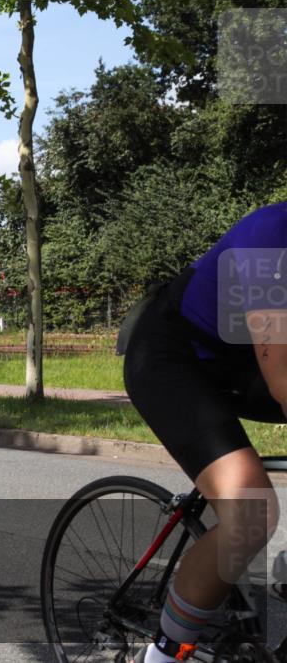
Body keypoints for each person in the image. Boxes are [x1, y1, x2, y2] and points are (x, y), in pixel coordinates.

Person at [122, 202, 287, 662]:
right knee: (251, 513)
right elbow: (283, 380)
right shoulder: (271, 236)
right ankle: (162, 655)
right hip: (173, 357)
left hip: (243, 362)